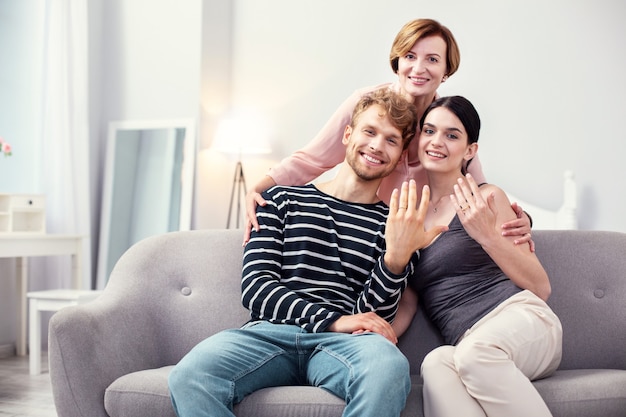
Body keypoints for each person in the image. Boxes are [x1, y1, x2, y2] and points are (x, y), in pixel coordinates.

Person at [168, 89, 447, 417]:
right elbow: (257, 289)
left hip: (345, 346)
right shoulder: (279, 200)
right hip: (270, 333)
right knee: (191, 376)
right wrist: (334, 321)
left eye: (391, 140)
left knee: (388, 367)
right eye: (369, 132)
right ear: (348, 134)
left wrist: (395, 261)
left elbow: (372, 319)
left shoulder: (396, 225)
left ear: (400, 155)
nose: (376, 146)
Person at [244, 18, 532, 246]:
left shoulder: (448, 124)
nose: (418, 68)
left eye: (432, 59)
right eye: (410, 56)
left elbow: (477, 190)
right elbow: (312, 160)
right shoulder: (366, 104)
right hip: (362, 228)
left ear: (446, 71)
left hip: (416, 239)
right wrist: (258, 187)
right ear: (397, 63)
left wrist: (522, 219)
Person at [392, 96, 562, 417]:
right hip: (468, 344)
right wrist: (379, 333)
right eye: (429, 131)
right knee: (436, 363)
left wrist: (485, 234)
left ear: (470, 150)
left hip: (523, 322)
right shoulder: (411, 218)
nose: (436, 141)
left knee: (473, 355)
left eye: (452, 135)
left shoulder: (487, 198)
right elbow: (409, 302)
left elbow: (540, 287)